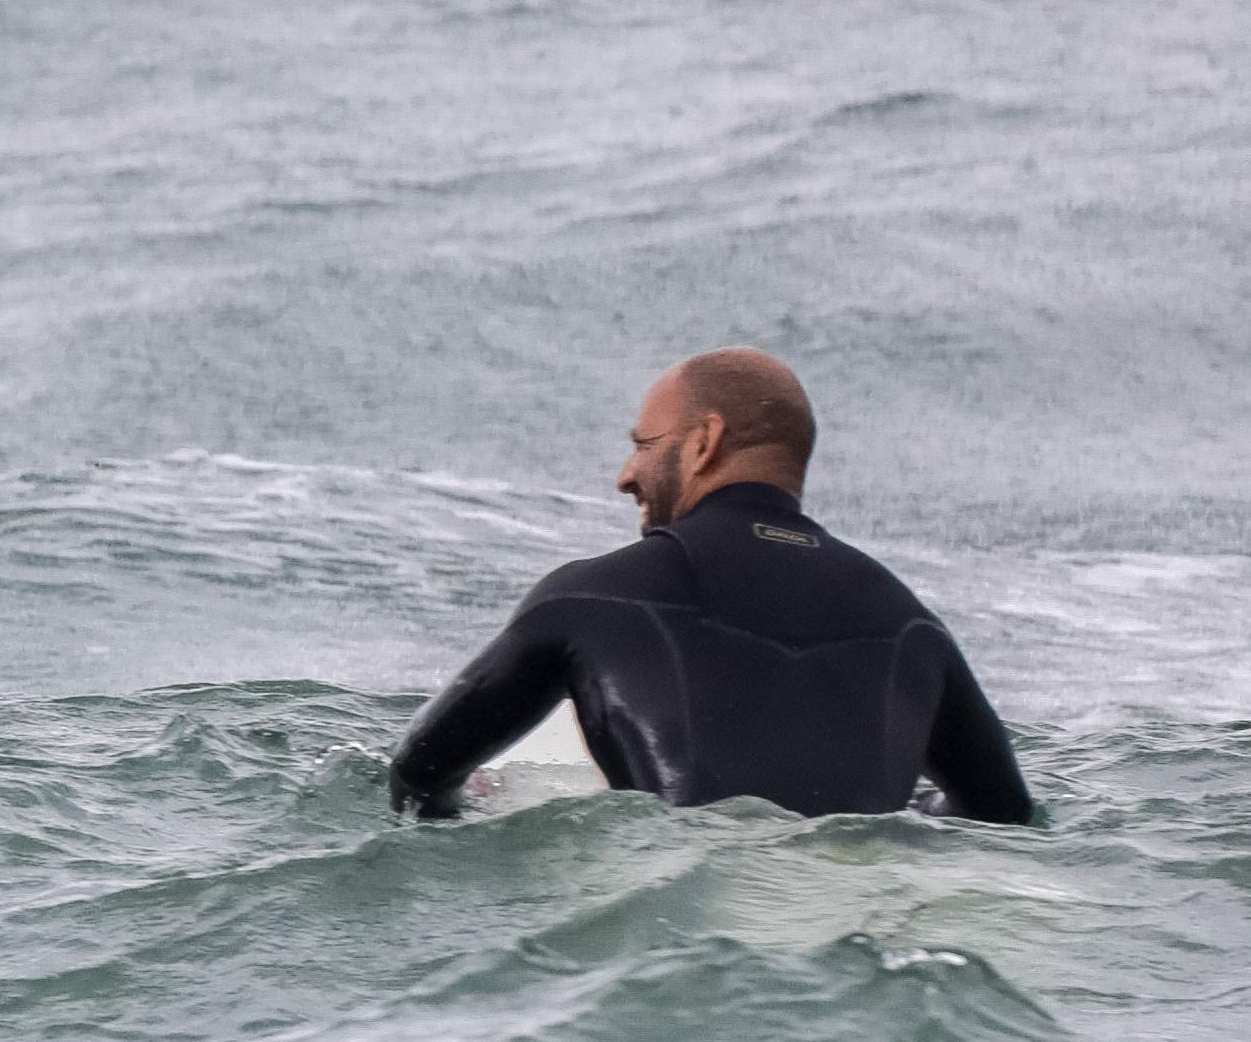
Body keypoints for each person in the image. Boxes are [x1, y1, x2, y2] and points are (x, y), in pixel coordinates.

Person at [386, 348, 1035, 825]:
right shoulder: (911, 625)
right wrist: (908, 809)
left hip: (697, 916)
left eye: (642, 443)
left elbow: (417, 774)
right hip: (864, 913)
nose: (625, 474)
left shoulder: (589, 598)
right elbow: (1005, 818)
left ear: (703, 443)